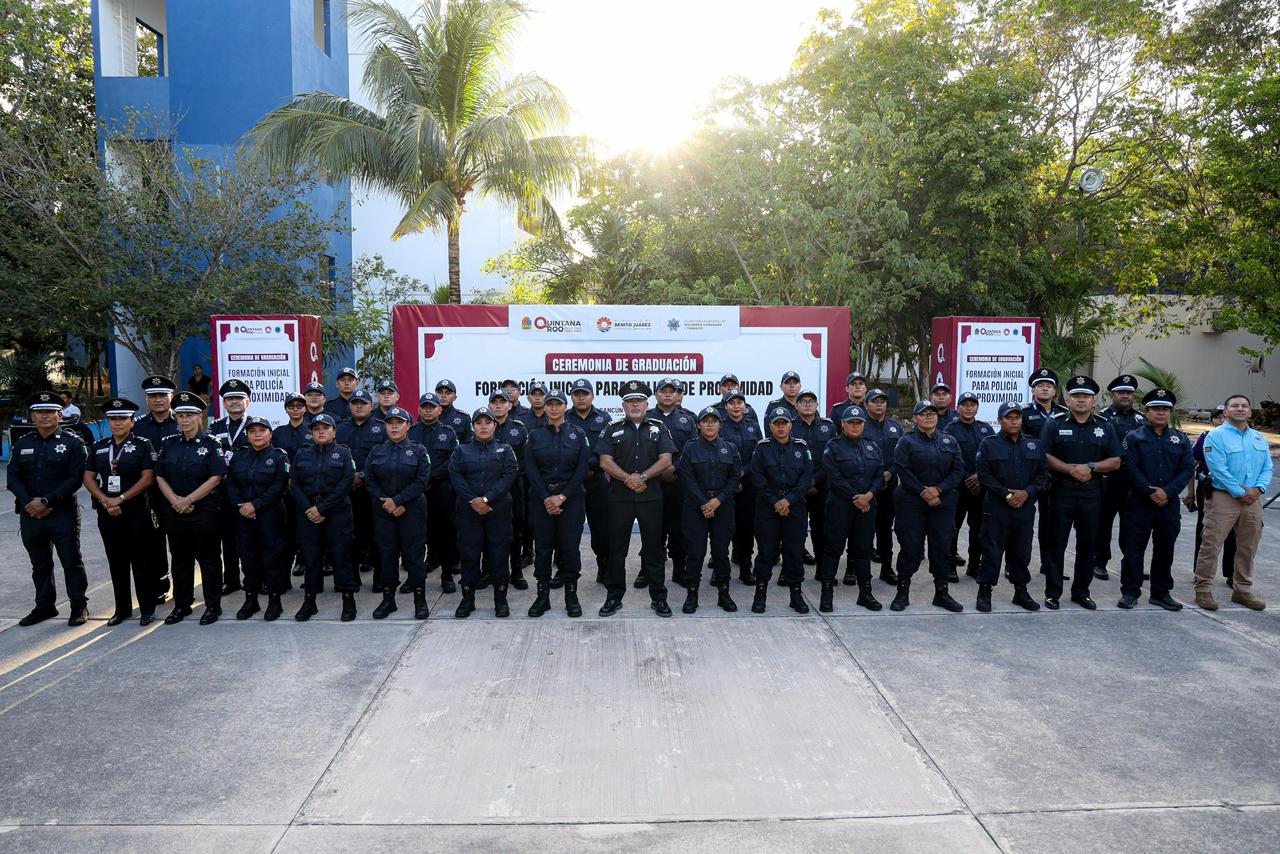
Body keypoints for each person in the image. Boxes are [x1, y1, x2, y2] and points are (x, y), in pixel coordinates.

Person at [6, 391, 90, 626]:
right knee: (40, 563)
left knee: (71, 561)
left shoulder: (72, 443)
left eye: (49, 412)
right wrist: (30, 503)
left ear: (59, 414)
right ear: (32, 415)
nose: (44, 416)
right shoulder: (23, 444)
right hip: (31, 514)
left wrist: (46, 501)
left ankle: (78, 605)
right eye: (39, 412)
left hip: (61, 513)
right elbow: (12, 478)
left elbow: (75, 478)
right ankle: (44, 606)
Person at [1039, 375, 1122, 610]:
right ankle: (1052, 592)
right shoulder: (1054, 423)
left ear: (1093, 401)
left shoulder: (1105, 426)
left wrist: (1091, 467)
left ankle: (1081, 592)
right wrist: (1070, 469)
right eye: (1076, 396)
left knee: (1088, 545)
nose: (1081, 400)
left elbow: (1115, 460)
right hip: (1061, 492)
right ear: (1068, 399)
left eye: (1086, 396)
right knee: (1056, 544)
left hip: (1092, 494)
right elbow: (1044, 455)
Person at [595, 381, 677, 617]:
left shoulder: (659, 427)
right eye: (630, 401)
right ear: (623, 405)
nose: (635, 405)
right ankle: (614, 597)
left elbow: (666, 460)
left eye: (639, 401)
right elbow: (605, 461)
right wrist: (627, 479)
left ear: (646, 404)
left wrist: (642, 477)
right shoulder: (612, 428)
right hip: (620, 498)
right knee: (617, 549)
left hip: (651, 497)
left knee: (654, 549)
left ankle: (659, 598)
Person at [1194, 394, 1273, 611]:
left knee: (1248, 546)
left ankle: (1242, 590)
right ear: (1226, 411)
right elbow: (1218, 469)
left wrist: (1259, 489)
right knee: (1211, 544)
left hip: (1253, 499)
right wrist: (1240, 492)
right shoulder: (1215, 437)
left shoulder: (1258, 438)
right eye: (1234, 406)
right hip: (1224, 498)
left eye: (1244, 406)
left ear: (1250, 411)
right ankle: (1203, 590)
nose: (1240, 409)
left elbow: (1267, 467)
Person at [1117, 388, 1194, 611]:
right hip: (1139, 503)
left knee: (1165, 549)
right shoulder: (1134, 438)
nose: (1160, 413)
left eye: (1165, 409)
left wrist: (1167, 492)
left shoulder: (1179, 439)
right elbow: (1129, 467)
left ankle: (1161, 593)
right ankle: (1130, 592)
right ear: (1147, 412)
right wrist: (1150, 491)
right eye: (1156, 409)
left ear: (1170, 412)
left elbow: (1187, 468)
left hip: (1167, 505)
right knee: (1133, 549)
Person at [154, 392, 227, 625]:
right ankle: (182, 605)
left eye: (189, 415)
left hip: (204, 511)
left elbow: (216, 477)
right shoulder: (169, 444)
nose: (184, 420)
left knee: (209, 560)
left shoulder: (212, 443)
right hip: (175, 512)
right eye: (180, 415)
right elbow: (160, 476)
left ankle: (212, 606)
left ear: (200, 416)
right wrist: (175, 500)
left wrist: (189, 500)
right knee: (180, 560)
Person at [83, 397, 157, 625]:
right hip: (107, 512)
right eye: (113, 419)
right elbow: (88, 477)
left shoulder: (143, 445)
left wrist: (121, 499)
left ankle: (147, 609)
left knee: (141, 561)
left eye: (122, 419)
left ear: (132, 421)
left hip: (136, 511)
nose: (117, 423)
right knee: (117, 562)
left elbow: (148, 477)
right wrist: (106, 500)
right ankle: (122, 609)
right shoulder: (99, 446)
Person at [974, 402, 1049, 612]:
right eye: (1009, 417)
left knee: (1021, 551)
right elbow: (984, 475)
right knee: (991, 550)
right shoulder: (988, 444)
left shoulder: (1034, 444)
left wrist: (1027, 493)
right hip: (997, 506)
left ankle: (1020, 591)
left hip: (1024, 505)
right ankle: (985, 591)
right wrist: (1007, 494)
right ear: (1000, 420)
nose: (1014, 420)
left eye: (1017, 417)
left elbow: (1043, 473)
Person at [891, 401, 965, 613]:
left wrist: (939, 490)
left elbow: (958, 470)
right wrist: (924, 492)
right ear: (915, 418)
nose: (929, 417)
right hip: (912, 503)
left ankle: (941, 594)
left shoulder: (950, 441)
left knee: (942, 547)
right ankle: (902, 593)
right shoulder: (906, 441)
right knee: (910, 548)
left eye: (932, 413)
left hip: (942, 504)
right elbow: (903, 470)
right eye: (923, 414)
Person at [524, 390, 590, 617]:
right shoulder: (534, 435)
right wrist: (546, 497)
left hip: (571, 501)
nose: (553, 408)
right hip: (541, 500)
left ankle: (571, 596)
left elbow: (582, 469)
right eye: (549, 404)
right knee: (543, 549)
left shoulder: (578, 434)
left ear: (565, 406)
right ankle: (542, 598)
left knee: (570, 548)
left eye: (557, 404)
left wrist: (562, 497)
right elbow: (530, 468)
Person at [448, 407, 519, 618]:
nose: (483, 426)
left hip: (498, 509)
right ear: (473, 426)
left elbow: (509, 475)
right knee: (469, 555)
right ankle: (467, 600)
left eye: (487, 422)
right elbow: (455, 474)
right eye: (479, 423)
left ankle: (500, 600)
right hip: (468, 509)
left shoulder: (505, 449)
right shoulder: (461, 450)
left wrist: (487, 499)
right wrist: (473, 500)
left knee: (499, 554)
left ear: (495, 426)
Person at [365, 407, 432, 621]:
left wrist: (399, 500)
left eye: (399, 422)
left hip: (412, 509)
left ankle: (419, 599)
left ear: (408, 425)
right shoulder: (376, 451)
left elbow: (422, 480)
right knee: (387, 556)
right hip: (384, 510)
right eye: (390, 422)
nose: (394, 426)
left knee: (414, 556)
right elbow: (370, 480)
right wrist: (387, 501)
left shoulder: (419, 450)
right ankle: (388, 600)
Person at [291, 414, 359, 621]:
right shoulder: (302, 454)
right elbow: (294, 483)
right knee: (311, 558)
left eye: (326, 428)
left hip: (337, 511)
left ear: (334, 431)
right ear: (311, 433)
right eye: (316, 428)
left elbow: (346, 483)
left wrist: (322, 508)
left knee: (342, 556)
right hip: (308, 513)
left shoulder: (343, 453)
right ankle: (309, 602)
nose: (321, 431)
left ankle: (348, 601)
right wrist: (310, 509)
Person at [747, 407, 814, 613]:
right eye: (777, 423)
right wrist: (776, 501)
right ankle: (760, 595)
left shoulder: (802, 447)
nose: (781, 427)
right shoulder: (762, 447)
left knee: (794, 552)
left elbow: (806, 479)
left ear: (790, 425)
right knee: (766, 551)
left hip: (795, 507)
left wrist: (788, 501)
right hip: (768, 507)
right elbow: (757, 477)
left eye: (784, 423)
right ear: (770, 426)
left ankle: (796, 596)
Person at [819, 405, 886, 612]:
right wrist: (856, 498)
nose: (855, 426)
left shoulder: (872, 446)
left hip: (867, 506)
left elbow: (879, 474)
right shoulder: (833, 446)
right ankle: (826, 594)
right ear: (843, 424)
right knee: (832, 549)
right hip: (840, 506)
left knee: (863, 550)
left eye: (859, 423)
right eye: (851, 422)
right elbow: (834, 477)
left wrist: (869, 496)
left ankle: (865, 593)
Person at [676, 406, 743, 613]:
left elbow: (735, 477)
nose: (710, 424)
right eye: (706, 421)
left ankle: (724, 594)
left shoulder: (730, 448)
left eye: (714, 421)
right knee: (695, 553)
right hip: (696, 506)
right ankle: (692, 596)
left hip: (723, 506)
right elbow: (686, 477)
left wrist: (718, 501)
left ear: (720, 425)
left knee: (721, 553)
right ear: (699, 425)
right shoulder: (690, 447)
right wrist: (704, 502)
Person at [225, 416, 292, 621]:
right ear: (247, 435)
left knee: (273, 560)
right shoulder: (239, 456)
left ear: (270, 434)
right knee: (248, 559)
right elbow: (231, 484)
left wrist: (255, 505)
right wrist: (242, 506)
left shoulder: (280, 456)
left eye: (261, 431)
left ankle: (274, 601)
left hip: (270, 515)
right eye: (252, 431)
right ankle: (251, 600)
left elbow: (280, 486)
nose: (257, 434)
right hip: (244, 516)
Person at [646, 378, 697, 588]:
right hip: (652, 482)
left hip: (679, 481)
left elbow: (694, 449)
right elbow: (639, 449)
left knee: (679, 529)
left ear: (678, 395)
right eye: (663, 391)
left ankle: (679, 569)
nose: (668, 394)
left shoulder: (688, 420)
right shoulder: (645, 418)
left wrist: (674, 467)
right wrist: (657, 471)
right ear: (656, 394)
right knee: (653, 529)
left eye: (672, 391)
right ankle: (647, 570)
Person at [133, 375, 180, 604]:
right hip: (148, 496)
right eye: (153, 396)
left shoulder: (182, 421)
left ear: (171, 397)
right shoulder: (138, 426)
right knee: (153, 543)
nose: (158, 400)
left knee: (181, 544)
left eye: (163, 395)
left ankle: (183, 587)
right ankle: (161, 585)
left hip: (179, 494)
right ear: (147, 399)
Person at [1094, 374, 1146, 581]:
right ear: (1112, 395)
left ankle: (1132, 564)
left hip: (1134, 481)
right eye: (1120, 392)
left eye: (1129, 392)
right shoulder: (1102, 417)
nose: (1125, 396)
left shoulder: (1142, 419)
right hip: (1109, 479)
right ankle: (1100, 562)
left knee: (1133, 525)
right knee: (1103, 523)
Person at [409, 393, 461, 592]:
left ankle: (447, 575)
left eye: (433, 406)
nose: (428, 410)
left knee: (446, 533)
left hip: (441, 489)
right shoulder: (410, 431)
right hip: (416, 491)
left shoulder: (449, 433)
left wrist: (429, 478)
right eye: (425, 406)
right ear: (419, 409)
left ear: (440, 409)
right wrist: (421, 480)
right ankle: (415, 577)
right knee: (416, 534)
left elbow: (452, 461)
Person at [1021, 367, 1069, 576]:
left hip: (1056, 477)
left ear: (1054, 392)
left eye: (1049, 386)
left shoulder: (1065, 414)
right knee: (1022, 523)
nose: (1044, 389)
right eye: (1040, 385)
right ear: (1033, 391)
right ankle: (1017, 564)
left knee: (1052, 525)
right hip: (1029, 475)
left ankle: (1049, 565)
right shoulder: (1023, 414)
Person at [336, 389, 386, 583]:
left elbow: (383, 457)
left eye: (363, 403)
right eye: (355, 403)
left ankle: (380, 577)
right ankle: (352, 577)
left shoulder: (382, 428)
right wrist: (350, 476)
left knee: (377, 535)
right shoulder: (339, 429)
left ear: (370, 406)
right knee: (349, 535)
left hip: (373, 489)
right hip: (346, 491)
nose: (358, 406)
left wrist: (363, 474)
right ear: (349, 406)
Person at [944, 391, 993, 581]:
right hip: (957, 488)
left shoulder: (985, 429)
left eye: (972, 404)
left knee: (979, 529)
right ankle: (950, 567)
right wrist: (968, 478)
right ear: (958, 407)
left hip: (981, 488)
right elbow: (949, 459)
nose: (968, 408)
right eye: (964, 404)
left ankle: (974, 565)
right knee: (952, 528)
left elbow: (992, 456)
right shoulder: (950, 429)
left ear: (977, 408)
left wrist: (979, 477)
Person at [566, 378, 612, 582]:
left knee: (602, 528)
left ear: (593, 396)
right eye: (577, 394)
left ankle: (604, 566)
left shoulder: (604, 418)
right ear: (572, 397)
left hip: (596, 480)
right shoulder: (564, 418)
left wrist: (588, 466)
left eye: (585, 393)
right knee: (567, 529)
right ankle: (565, 570)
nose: (581, 397)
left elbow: (606, 447)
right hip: (569, 484)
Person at [210, 378, 252, 596]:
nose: (234, 402)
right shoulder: (215, 427)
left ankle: (254, 578)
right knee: (226, 538)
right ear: (224, 404)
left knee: (250, 538)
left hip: (248, 490)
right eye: (230, 399)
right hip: (221, 492)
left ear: (248, 402)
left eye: (239, 398)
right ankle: (232, 579)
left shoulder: (256, 425)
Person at [1185, 405, 1236, 586]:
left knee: (1234, 532)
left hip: (1235, 491)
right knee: (1205, 530)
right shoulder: (1206, 438)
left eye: (1224, 416)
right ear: (1211, 420)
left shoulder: (1242, 438)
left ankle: (1232, 574)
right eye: (1217, 417)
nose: (1221, 420)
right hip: (1208, 488)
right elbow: (1191, 464)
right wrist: (1190, 493)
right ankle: (1200, 572)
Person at [718, 389, 763, 584]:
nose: (736, 406)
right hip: (725, 484)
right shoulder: (719, 425)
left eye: (739, 402)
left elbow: (759, 453)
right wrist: (733, 477)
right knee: (723, 528)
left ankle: (746, 567)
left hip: (749, 483)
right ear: (725, 406)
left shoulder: (753, 426)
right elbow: (717, 454)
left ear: (745, 406)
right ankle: (720, 568)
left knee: (746, 527)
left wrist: (741, 473)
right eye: (732, 403)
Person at [790, 389, 835, 576]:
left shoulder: (828, 426)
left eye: (811, 401)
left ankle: (822, 568)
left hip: (822, 484)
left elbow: (833, 455)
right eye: (803, 401)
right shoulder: (789, 425)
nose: (807, 404)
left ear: (817, 405)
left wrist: (815, 480)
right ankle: (791, 569)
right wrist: (804, 482)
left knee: (822, 527)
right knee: (795, 529)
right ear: (796, 405)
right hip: (795, 486)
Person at [490, 390, 531, 590]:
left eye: (502, 402)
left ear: (510, 405)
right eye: (494, 402)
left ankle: (516, 571)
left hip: (515, 486)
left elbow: (526, 459)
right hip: (488, 488)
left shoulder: (519, 428)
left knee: (516, 530)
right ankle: (488, 571)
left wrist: (509, 479)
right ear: (490, 405)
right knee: (487, 530)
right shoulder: (483, 425)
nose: (498, 406)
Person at [864, 388, 903, 584]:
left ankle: (887, 569)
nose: (879, 404)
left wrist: (890, 472)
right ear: (866, 404)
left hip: (889, 487)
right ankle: (855, 569)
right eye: (874, 401)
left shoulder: (895, 427)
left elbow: (902, 456)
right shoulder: (860, 426)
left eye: (882, 401)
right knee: (862, 530)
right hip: (866, 487)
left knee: (885, 530)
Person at [274, 391, 312, 577]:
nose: (295, 409)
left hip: (307, 488)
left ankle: (304, 559)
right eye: (291, 406)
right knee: (286, 527)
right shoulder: (278, 433)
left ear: (305, 408)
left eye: (299, 406)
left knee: (305, 527)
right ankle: (287, 562)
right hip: (284, 488)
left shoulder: (313, 430)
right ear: (286, 409)